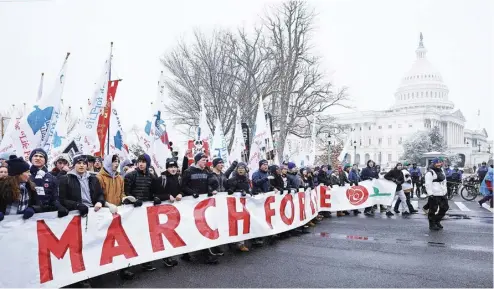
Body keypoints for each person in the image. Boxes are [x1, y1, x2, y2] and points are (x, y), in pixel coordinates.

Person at [181, 153, 219, 264]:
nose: (205, 162)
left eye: (206, 160)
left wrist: (211, 191)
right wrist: (192, 193)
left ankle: (205, 252)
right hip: (191, 204)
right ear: (197, 161)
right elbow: (183, 186)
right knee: (192, 227)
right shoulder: (188, 172)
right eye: (203, 160)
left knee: (202, 226)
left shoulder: (206, 172)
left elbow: (209, 185)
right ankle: (187, 253)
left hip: (203, 204)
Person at [123, 153, 156, 271]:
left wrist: (155, 198)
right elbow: (126, 193)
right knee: (130, 238)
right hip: (132, 211)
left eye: (144, 161)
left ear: (148, 163)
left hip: (145, 212)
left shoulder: (151, 177)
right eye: (139, 161)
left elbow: (153, 192)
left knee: (145, 238)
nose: (141, 164)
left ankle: (145, 261)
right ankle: (126, 266)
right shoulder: (130, 175)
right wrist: (133, 200)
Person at [152, 158, 182, 266]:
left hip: (175, 211)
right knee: (166, 234)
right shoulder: (161, 179)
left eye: (175, 167)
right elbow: (154, 194)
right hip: (163, 212)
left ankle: (175, 255)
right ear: (167, 168)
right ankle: (166, 258)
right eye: (171, 167)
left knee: (175, 233)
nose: (173, 169)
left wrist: (180, 194)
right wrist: (166, 196)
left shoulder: (179, 178)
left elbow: (182, 189)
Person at [28, 148, 69, 217]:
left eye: (41, 156)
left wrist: (60, 207)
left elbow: (55, 198)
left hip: (47, 215)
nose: (38, 158)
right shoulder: (25, 176)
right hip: (28, 215)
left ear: (45, 161)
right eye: (35, 156)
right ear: (31, 159)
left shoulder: (52, 178)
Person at [0, 155, 40, 221]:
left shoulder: (30, 186)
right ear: (18, 174)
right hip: (4, 227)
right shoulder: (2, 186)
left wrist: (33, 208)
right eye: (27, 172)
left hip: (23, 225)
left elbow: (38, 204)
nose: (29, 174)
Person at [226, 162, 251, 252]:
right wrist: (237, 190)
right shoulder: (233, 179)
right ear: (236, 170)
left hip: (244, 204)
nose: (241, 170)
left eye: (242, 168)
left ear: (245, 170)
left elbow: (248, 190)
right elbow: (229, 191)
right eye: (239, 168)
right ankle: (235, 242)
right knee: (235, 224)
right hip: (235, 205)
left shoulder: (247, 179)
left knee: (243, 223)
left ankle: (241, 243)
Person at [424, 158, 449, 230]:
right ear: (434, 163)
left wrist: (445, 191)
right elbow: (428, 184)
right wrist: (430, 193)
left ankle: (437, 221)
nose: (439, 164)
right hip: (434, 194)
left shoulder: (442, 171)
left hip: (443, 194)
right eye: (437, 163)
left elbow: (444, 182)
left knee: (445, 208)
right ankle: (432, 224)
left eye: (440, 163)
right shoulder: (430, 172)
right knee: (433, 210)